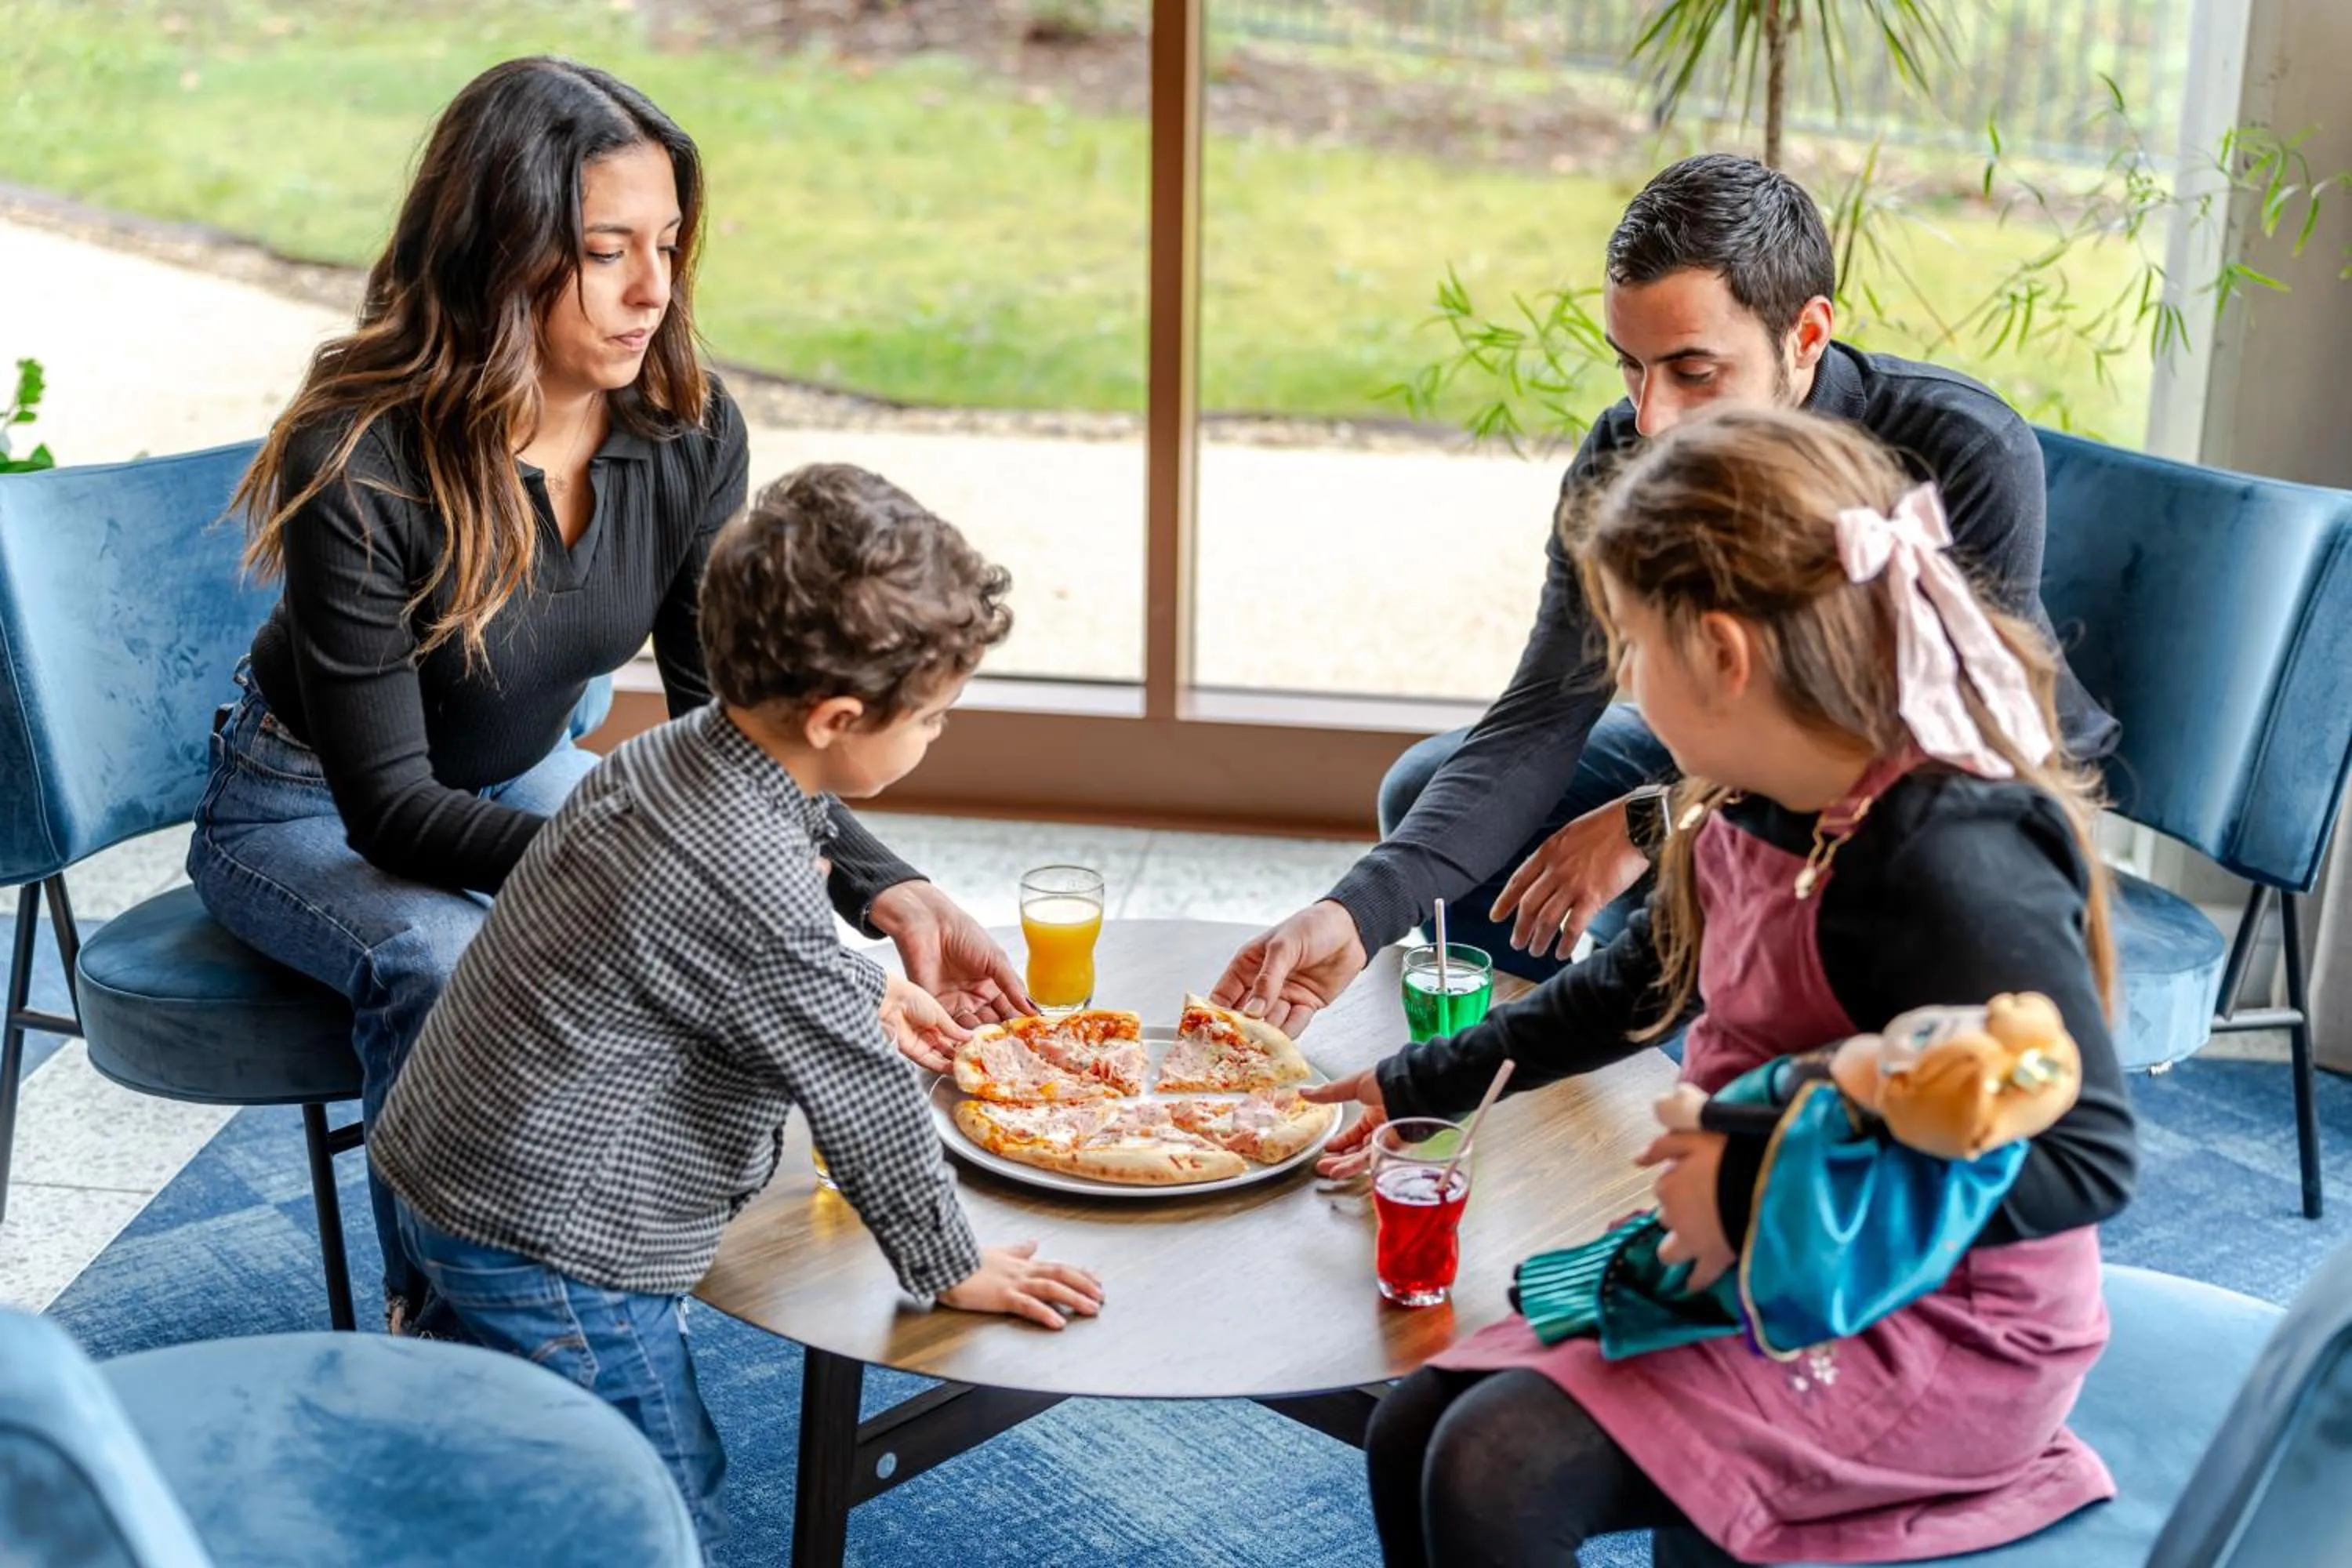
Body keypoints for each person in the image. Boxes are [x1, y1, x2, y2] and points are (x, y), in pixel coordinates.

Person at [188, 56, 1029, 1337]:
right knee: (443, 959)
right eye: (604, 252)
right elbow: (392, 809)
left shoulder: (688, 431)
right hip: (305, 806)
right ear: (498, 253)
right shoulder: (361, 457)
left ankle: (623, 1223)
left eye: (670, 245)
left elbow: (741, 725)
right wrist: (664, 885)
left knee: (718, 901)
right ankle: (450, 1329)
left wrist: (886, 890)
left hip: (518, 769)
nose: (654, 291)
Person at [1305, 407, 2136, 1566]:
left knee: (1494, 1463)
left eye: (1633, 648)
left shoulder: (1950, 856)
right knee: (1411, 1428)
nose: (1627, 682)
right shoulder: (1749, 798)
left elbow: (2087, 1159)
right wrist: (1407, 1084)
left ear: (1725, 657)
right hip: (1762, 1258)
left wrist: (1752, 1184)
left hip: (1929, 1321)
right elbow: (1634, 985)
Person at [372, 463, 1104, 1548]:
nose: (937, 735)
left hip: (446, 1166)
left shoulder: (670, 758)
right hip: (552, 1235)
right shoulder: (747, 861)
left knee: (508, 1446)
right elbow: (861, 1095)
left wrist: (863, 982)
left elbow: (696, 948)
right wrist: (950, 1263)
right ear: (840, 718)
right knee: (658, 1485)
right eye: (934, 718)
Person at [1211, 151, 2118, 1018]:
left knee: (1713, 872)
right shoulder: (1625, 450)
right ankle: (1520, 1074)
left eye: (1694, 372)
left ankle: (1691, 1089)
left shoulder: (1958, 450)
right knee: (1425, 787)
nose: (1651, 418)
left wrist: (1659, 818)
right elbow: (1543, 712)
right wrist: (1356, 912)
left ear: (1805, 336)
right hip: (1733, 730)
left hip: (1951, 782)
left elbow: (1916, 741)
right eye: (1630, 365)